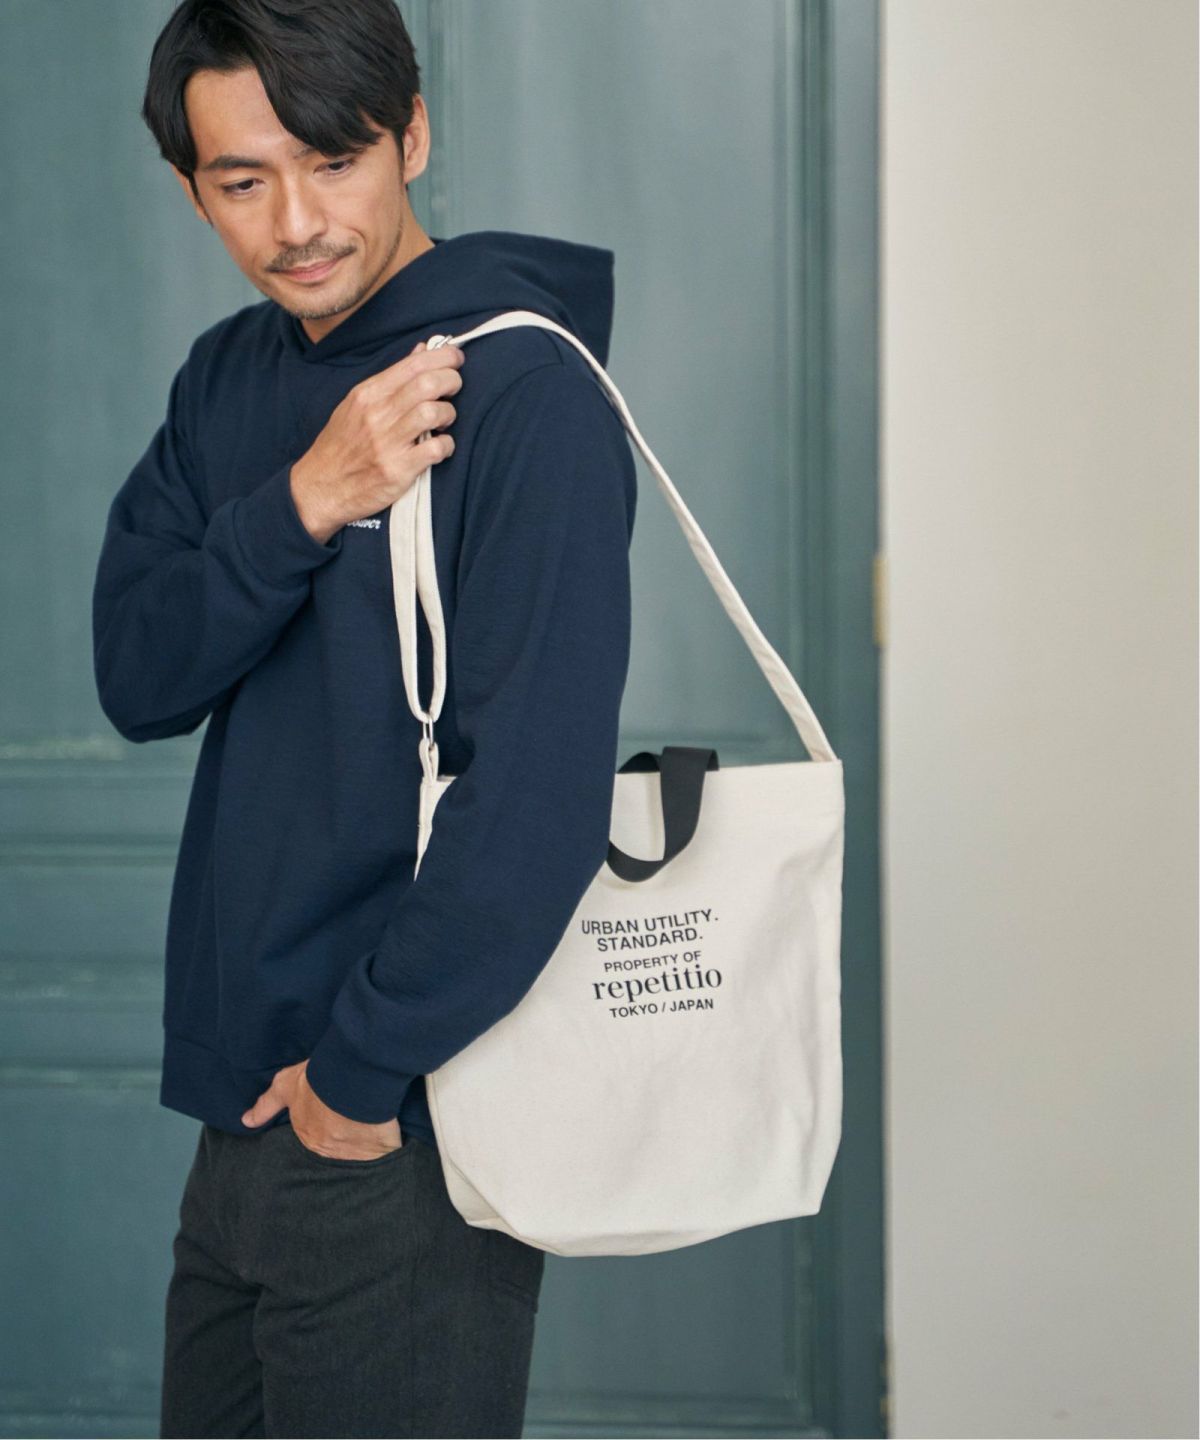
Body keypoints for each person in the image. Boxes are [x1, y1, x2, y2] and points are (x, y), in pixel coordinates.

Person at [91, 1, 637, 1435]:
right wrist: (304, 503)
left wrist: (361, 1071)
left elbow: (534, 795)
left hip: (396, 1114)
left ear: (413, 136)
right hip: (237, 1114)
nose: (296, 224)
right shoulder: (227, 380)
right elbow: (138, 676)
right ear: (190, 188)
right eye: (242, 180)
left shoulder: (523, 391)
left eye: (334, 160)